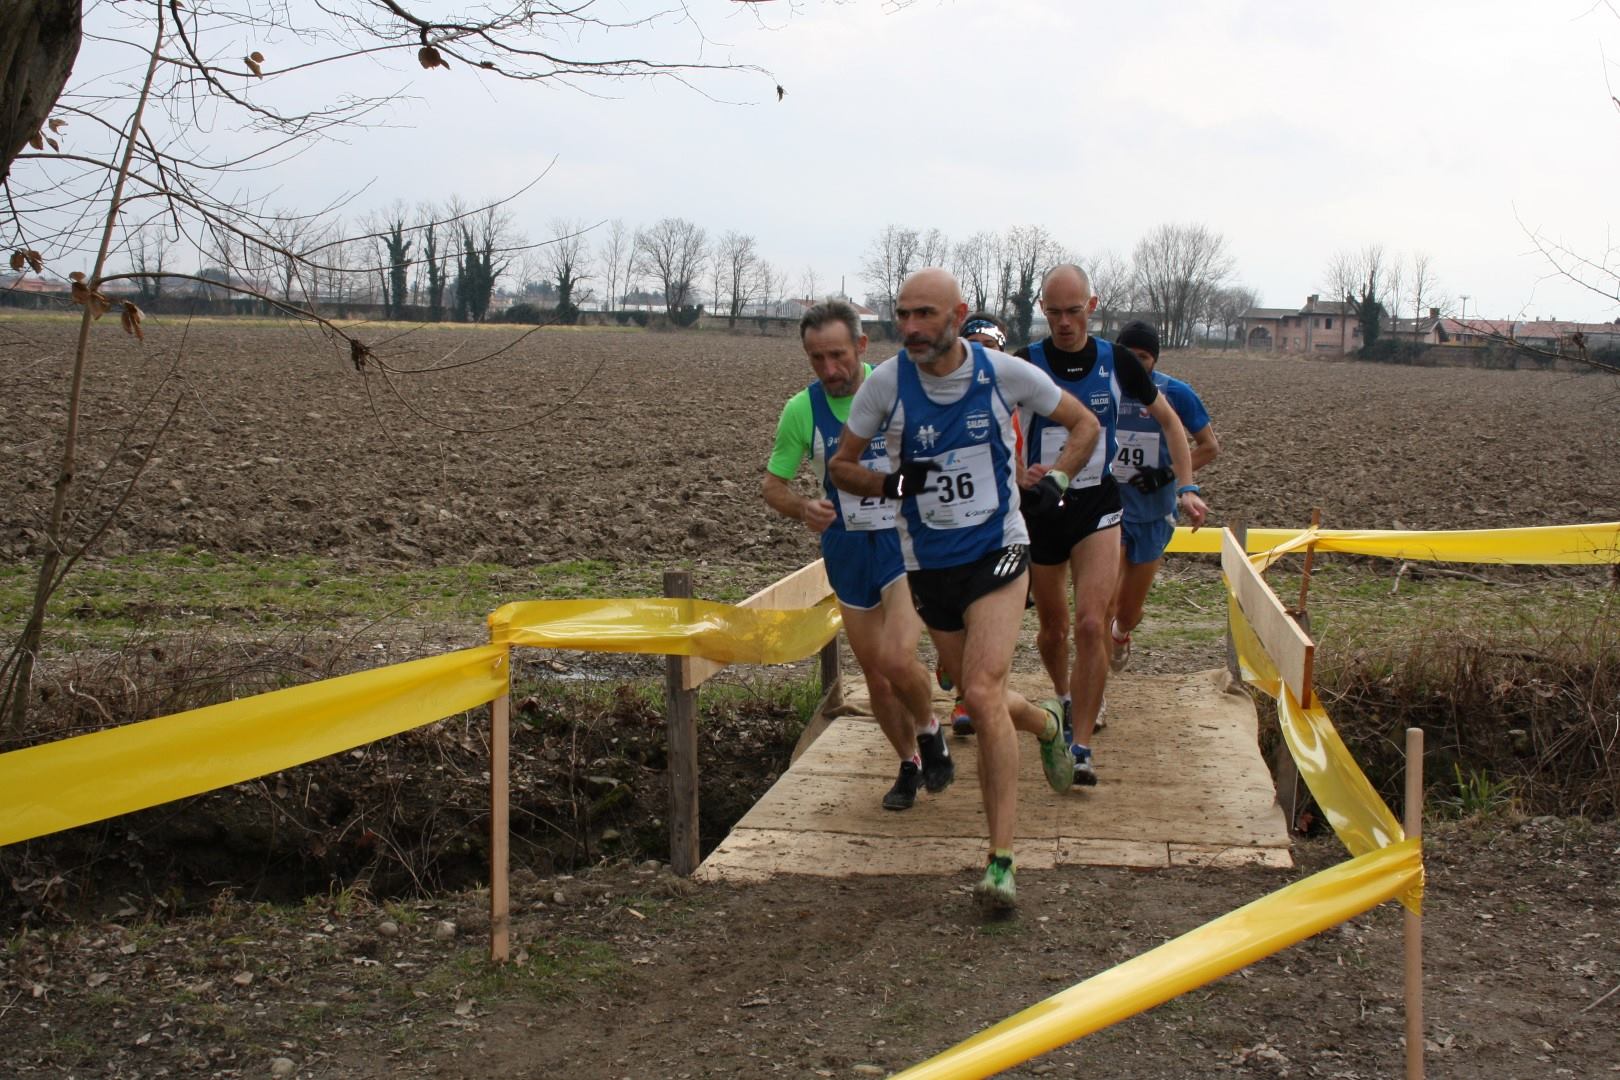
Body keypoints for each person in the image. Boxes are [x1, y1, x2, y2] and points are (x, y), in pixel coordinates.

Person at [828, 268, 1098, 913]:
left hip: (999, 548)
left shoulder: (1003, 374)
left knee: (978, 690)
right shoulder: (887, 385)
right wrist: (892, 485)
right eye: (903, 315)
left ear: (958, 313)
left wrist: (1058, 480)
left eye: (925, 314)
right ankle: (1046, 724)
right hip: (928, 564)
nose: (912, 327)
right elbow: (841, 466)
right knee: (984, 694)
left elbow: (1084, 424)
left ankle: (1001, 862)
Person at [1016, 265, 1209, 786]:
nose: (1064, 323)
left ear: (1093, 307)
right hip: (1043, 508)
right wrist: (1016, 472)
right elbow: (991, 425)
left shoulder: (1117, 361)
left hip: (1098, 504)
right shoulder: (1025, 362)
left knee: (1091, 623)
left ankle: (1081, 745)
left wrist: (1186, 487)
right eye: (1053, 313)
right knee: (1053, 627)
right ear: (1043, 310)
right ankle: (1063, 698)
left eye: (1074, 311)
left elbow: (1170, 422)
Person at [762, 300, 953, 813]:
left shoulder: (897, 390)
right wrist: (803, 508)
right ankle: (910, 761)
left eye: (839, 355)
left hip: (902, 542)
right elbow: (773, 485)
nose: (830, 369)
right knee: (876, 676)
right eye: (817, 358)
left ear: (862, 346)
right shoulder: (802, 411)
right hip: (847, 548)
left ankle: (930, 728)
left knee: (897, 657)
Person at [1109, 320, 1220, 672]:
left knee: (1127, 611)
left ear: (1154, 359)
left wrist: (1167, 476)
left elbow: (1209, 447)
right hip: (1109, 510)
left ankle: (1122, 632)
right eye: (1128, 355)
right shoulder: (1103, 389)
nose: (1135, 363)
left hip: (1154, 512)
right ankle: (1094, 691)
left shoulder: (1174, 392)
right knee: (1101, 604)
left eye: (1143, 356)